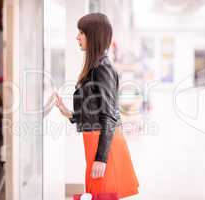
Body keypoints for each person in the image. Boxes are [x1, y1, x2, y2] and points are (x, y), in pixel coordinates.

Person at [55, 13, 139, 199]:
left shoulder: (102, 68)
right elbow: (95, 109)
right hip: (95, 141)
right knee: (97, 194)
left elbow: (108, 115)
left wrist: (101, 158)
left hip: (103, 144)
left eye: (81, 33)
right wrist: (69, 114)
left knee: (102, 194)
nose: (77, 37)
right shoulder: (95, 66)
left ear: (93, 36)